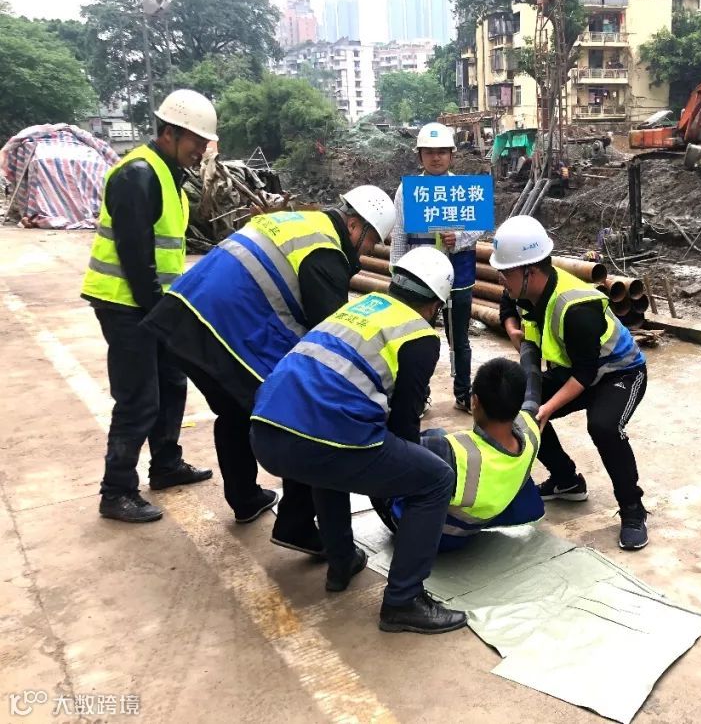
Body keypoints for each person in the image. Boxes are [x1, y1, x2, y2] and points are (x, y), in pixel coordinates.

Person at [143, 187, 395, 547]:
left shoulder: (301, 222)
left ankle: (246, 500)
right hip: (223, 326)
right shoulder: (325, 251)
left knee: (233, 410)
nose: (369, 251)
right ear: (355, 225)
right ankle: (296, 526)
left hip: (183, 314)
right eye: (371, 241)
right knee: (301, 413)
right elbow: (331, 337)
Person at [250, 247, 467, 634]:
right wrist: (396, 489)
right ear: (436, 304)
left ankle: (342, 561)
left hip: (265, 431)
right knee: (435, 479)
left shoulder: (361, 308)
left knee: (331, 454)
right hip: (317, 441)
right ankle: (403, 601)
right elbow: (404, 424)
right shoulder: (418, 334)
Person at [81, 89, 218, 523]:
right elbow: (135, 255)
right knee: (138, 398)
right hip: (126, 306)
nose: (201, 150)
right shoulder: (137, 174)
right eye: (196, 141)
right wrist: (158, 312)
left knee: (172, 383)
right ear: (170, 132)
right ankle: (116, 490)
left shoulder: (167, 174)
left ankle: (166, 465)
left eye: (205, 142)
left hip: (153, 305)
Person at [490, 215, 651, 550]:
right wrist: (512, 329)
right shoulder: (525, 288)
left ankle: (633, 509)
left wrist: (546, 408)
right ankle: (567, 481)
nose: (501, 278)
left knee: (604, 427)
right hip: (575, 369)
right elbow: (508, 304)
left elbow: (585, 375)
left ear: (530, 271)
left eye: (506, 272)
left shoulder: (576, 307)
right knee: (517, 405)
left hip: (620, 373)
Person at [375, 347, 546, 552]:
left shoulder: (452, 453)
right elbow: (533, 384)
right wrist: (528, 345)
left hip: (437, 536)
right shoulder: (531, 428)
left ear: (474, 401)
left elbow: (387, 447)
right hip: (479, 520)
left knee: (375, 454)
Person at [390, 122, 480, 414]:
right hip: (420, 275)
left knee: (459, 339)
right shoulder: (407, 191)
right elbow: (400, 233)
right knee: (417, 337)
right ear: (420, 156)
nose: (436, 157)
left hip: (459, 273)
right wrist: (396, 271)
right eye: (429, 152)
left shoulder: (464, 189)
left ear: (452, 154)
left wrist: (460, 238)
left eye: (442, 151)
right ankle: (419, 395)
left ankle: (464, 392)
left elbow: (478, 226)